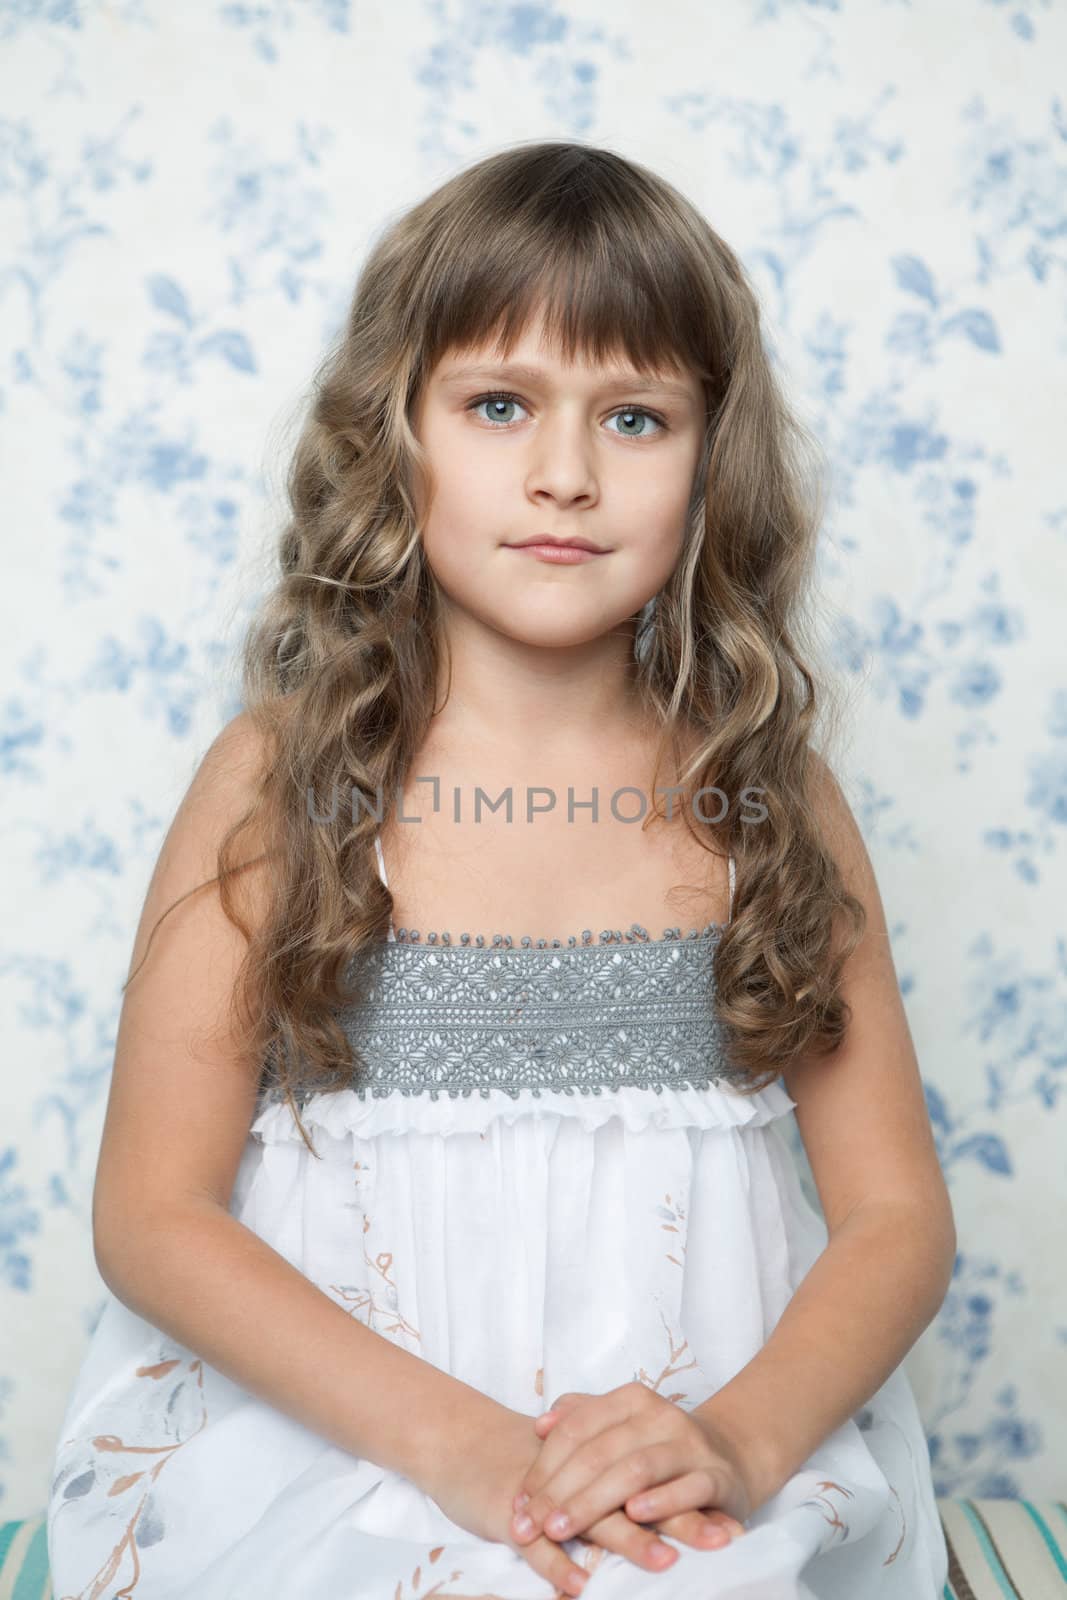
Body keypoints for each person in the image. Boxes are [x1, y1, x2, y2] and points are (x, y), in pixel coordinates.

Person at [46, 140, 954, 1600]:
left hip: (703, 1433)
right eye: (499, 404)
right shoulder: (282, 782)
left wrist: (730, 1440)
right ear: (394, 432)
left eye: (638, 418)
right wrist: (465, 1450)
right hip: (346, 1435)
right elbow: (153, 1214)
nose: (565, 475)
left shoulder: (768, 797)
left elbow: (900, 1220)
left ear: (711, 457)